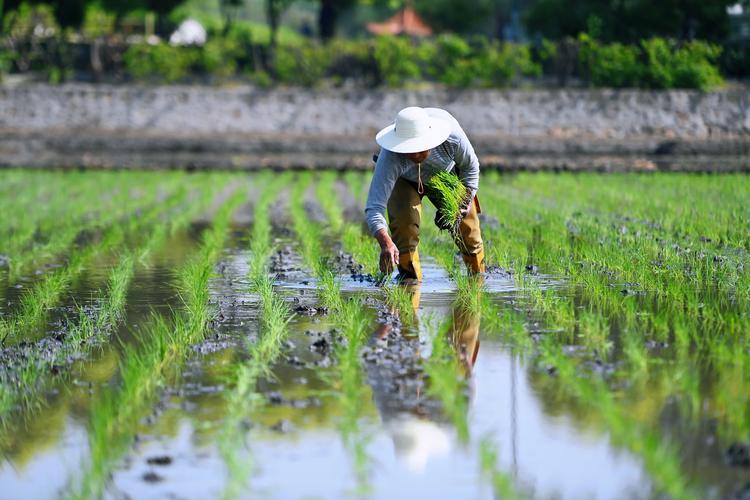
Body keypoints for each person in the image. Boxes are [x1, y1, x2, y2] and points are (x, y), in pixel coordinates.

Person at [365, 106, 485, 280]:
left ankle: (478, 278)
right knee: (404, 230)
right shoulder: (391, 156)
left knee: (468, 231)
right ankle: (410, 283)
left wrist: (464, 203)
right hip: (405, 180)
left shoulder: (452, 138)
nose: (415, 155)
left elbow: (471, 169)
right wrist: (386, 243)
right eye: (409, 150)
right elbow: (374, 208)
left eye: (421, 149)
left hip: (446, 175)